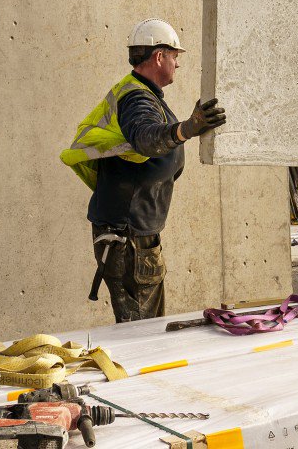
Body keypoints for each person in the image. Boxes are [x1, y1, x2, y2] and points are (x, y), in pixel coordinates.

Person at [60, 18, 226, 322]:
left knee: (140, 326)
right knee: (143, 332)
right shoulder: (136, 98)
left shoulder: (141, 94)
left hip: (131, 234)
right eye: (175, 56)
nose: (178, 64)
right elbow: (144, 137)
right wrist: (187, 128)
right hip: (129, 239)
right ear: (159, 56)